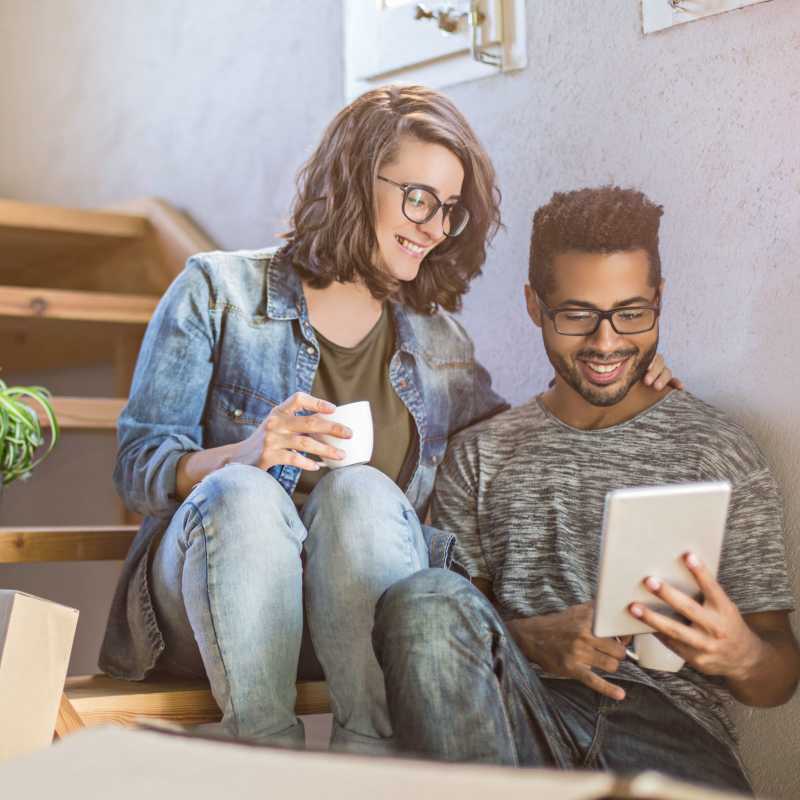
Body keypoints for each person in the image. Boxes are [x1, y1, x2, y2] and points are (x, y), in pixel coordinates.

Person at [99, 87, 676, 754]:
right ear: (352, 179)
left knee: (363, 491)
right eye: (419, 198)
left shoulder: (438, 340)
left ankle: (366, 758)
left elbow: (507, 447)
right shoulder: (217, 291)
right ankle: (261, 757)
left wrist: (628, 377)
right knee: (245, 493)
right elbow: (138, 466)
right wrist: (243, 453)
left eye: (450, 211)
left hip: (353, 621)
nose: (434, 227)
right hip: (211, 612)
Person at [373, 186, 799, 792]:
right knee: (421, 597)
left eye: (631, 313)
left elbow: (779, 674)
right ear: (534, 304)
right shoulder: (482, 455)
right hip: (522, 724)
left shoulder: (717, 450)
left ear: (659, 301)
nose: (606, 343)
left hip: (671, 734)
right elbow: (447, 636)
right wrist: (530, 642)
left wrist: (742, 655)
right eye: (577, 315)